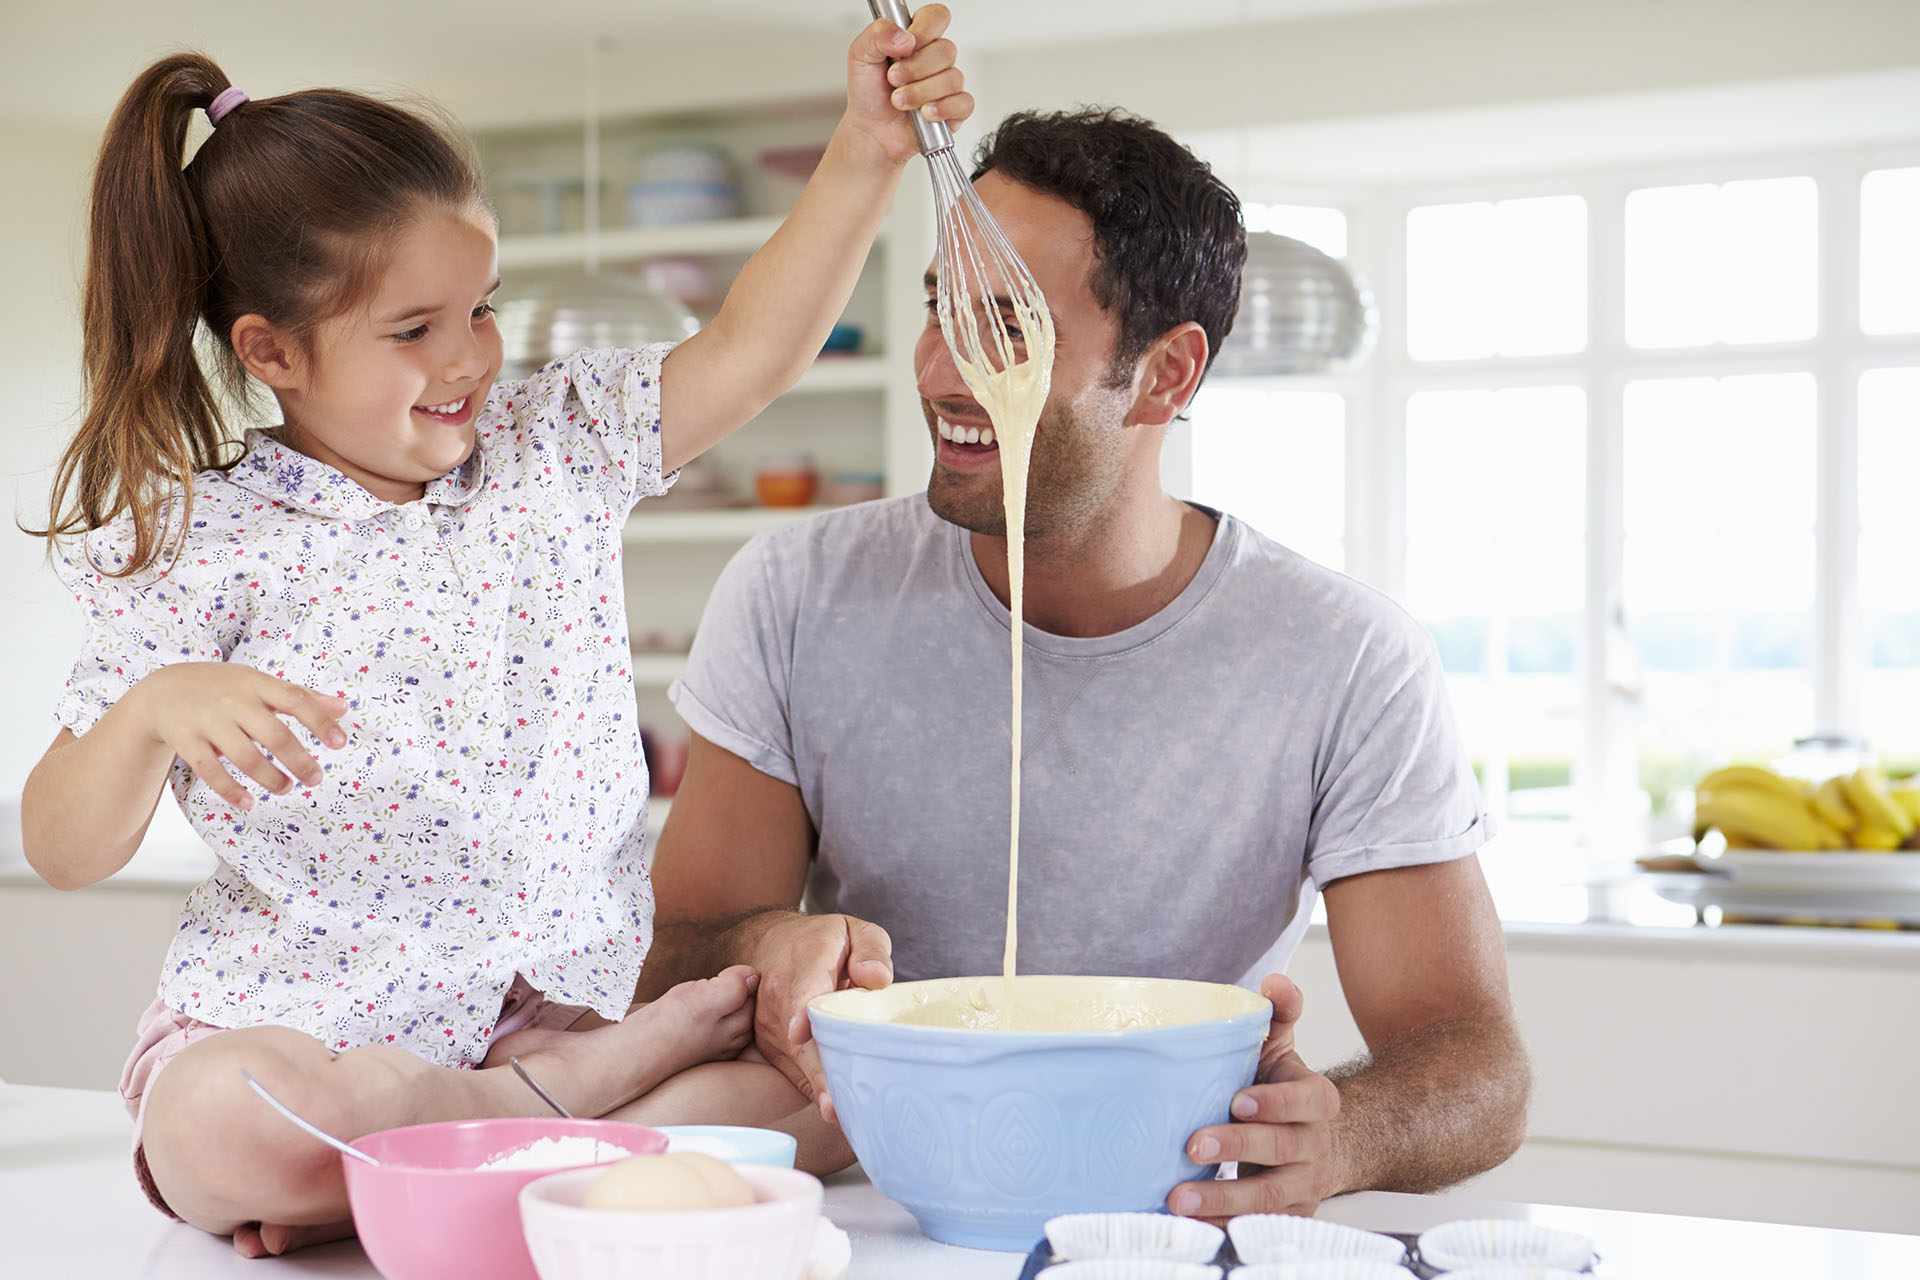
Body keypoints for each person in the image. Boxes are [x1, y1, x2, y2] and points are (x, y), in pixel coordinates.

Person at [19, 9, 971, 1258]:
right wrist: (151, 711)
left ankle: (448, 1149)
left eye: (483, 306)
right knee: (217, 1125)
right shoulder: (202, 538)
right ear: (273, 351)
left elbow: (748, 351)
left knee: (841, 1091)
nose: (471, 354)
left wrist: (866, 149)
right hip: (316, 1031)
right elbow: (64, 845)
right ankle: (541, 1133)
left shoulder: (550, 446)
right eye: (414, 330)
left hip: (551, 1014)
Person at [637, 107, 1531, 1222]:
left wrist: (1349, 1130)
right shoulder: (798, 592)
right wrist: (768, 947)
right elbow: (671, 957)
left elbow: (1475, 1063)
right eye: (939, 309)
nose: (942, 369)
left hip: (1166, 1216)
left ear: (1165, 374)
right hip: (868, 1217)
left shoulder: (1345, 658)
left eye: (1007, 327)